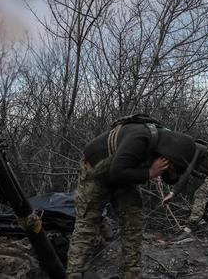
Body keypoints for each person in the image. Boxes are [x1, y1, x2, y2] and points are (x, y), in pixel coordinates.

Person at [66, 116, 197, 279]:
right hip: (94, 168)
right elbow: (116, 171)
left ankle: (132, 272)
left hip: (122, 172)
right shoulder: (141, 138)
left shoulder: (163, 145)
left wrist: (159, 172)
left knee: (133, 218)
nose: (167, 170)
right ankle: (75, 273)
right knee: (88, 221)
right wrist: (149, 173)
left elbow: (124, 172)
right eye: (169, 167)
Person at [161, 139, 208, 236]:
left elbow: (187, 174)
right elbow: (186, 174)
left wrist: (172, 193)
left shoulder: (195, 148)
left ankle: (189, 230)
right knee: (203, 208)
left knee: (200, 195)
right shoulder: (187, 155)